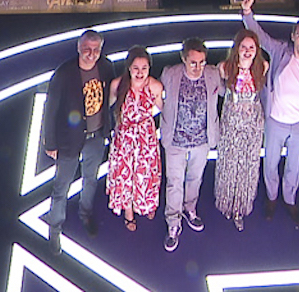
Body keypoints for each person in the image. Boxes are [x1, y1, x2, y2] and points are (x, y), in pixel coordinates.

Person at [242, 0, 299, 226]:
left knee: (294, 166)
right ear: (293, 36)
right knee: (270, 163)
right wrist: (247, 12)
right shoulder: (280, 50)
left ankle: (290, 200)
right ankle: (271, 198)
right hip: (275, 121)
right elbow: (260, 36)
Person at [42, 30, 115, 255]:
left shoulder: (106, 67)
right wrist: (50, 143)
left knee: (90, 180)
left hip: (96, 137)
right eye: (87, 49)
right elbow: (51, 109)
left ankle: (85, 214)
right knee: (61, 188)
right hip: (68, 141)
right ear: (78, 47)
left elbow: (109, 99)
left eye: (96, 49)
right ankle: (55, 232)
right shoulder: (64, 73)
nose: (91, 54)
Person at [158, 37, 221, 251]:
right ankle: (173, 224)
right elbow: (153, 91)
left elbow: (227, 89)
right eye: (193, 62)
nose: (198, 67)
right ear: (183, 59)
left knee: (195, 178)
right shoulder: (170, 74)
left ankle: (189, 209)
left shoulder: (212, 74)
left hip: (202, 140)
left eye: (202, 62)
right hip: (175, 139)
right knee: (174, 182)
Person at [214, 29, 268, 231]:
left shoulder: (263, 66)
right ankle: (226, 204)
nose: (247, 51)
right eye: (243, 47)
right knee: (229, 163)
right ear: (236, 48)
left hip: (253, 124)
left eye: (251, 48)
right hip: (231, 122)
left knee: (248, 166)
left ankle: (241, 208)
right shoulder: (225, 68)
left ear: (257, 50)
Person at [105, 46, 163, 232]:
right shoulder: (118, 84)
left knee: (146, 174)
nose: (140, 72)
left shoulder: (155, 86)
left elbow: (165, 109)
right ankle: (129, 211)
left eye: (144, 68)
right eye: (136, 68)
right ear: (129, 67)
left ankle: (145, 204)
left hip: (146, 139)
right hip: (124, 139)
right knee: (126, 176)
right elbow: (106, 108)